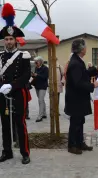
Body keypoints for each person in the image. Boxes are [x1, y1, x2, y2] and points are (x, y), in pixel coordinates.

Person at [0, 3, 31, 164]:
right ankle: (7, 151)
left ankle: (25, 152)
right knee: (4, 124)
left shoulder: (24, 55)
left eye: (11, 38)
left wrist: (13, 85)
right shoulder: (0, 57)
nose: (9, 41)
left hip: (19, 93)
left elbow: (27, 75)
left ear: (16, 40)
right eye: (6, 39)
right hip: (3, 95)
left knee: (20, 123)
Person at [65, 38, 98, 154]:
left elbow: (84, 74)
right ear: (81, 49)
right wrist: (92, 85)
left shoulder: (78, 60)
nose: (86, 48)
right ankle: (72, 145)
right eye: (85, 46)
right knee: (75, 123)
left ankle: (80, 143)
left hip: (79, 99)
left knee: (80, 121)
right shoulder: (75, 63)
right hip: (76, 99)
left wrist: (96, 69)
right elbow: (78, 83)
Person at [31, 56, 49, 122]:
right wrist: (33, 75)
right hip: (37, 86)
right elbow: (35, 76)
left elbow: (45, 77)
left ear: (40, 61)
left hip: (43, 86)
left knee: (40, 100)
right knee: (41, 100)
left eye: (36, 62)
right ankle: (44, 113)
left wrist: (37, 75)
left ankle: (40, 115)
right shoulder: (36, 68)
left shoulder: (45, 68)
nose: (36, 63)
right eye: (35, 62)